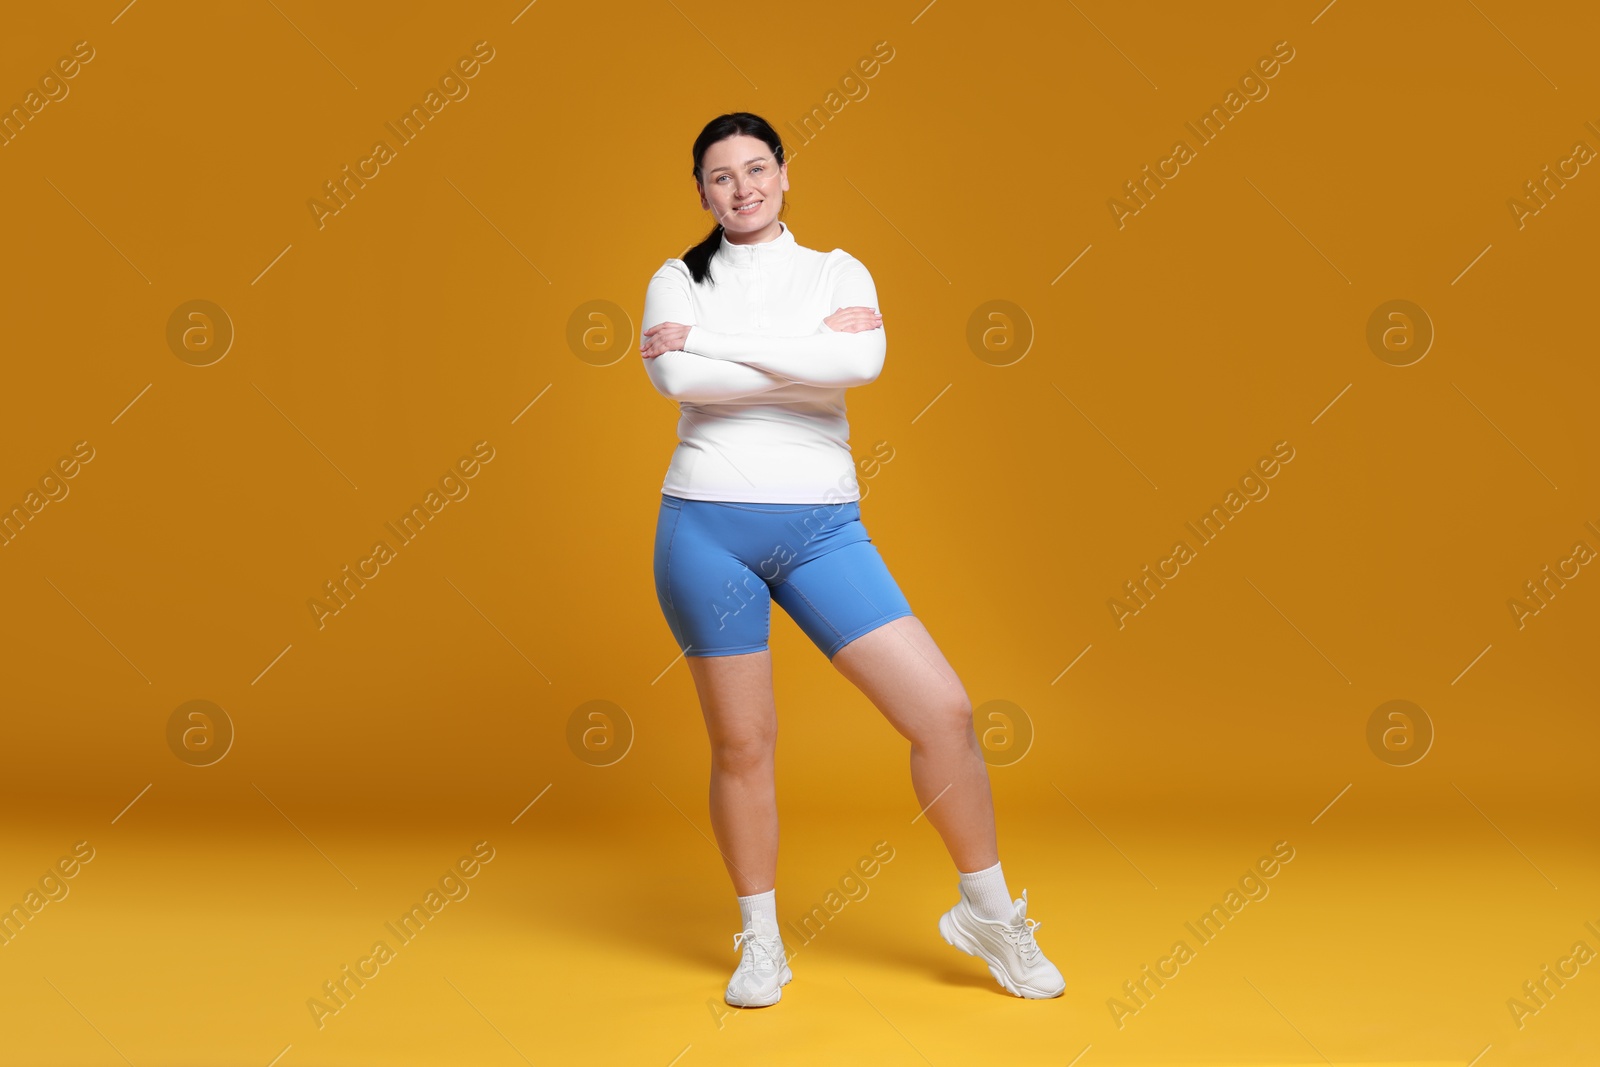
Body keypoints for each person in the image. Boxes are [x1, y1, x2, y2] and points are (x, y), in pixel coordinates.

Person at [639, 112, 1064, 1006]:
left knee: (943, 712)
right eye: (722, 177)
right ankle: (761, 940)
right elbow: (679, 382)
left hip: (824, 530)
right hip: (705, 528)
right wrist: (805, 360)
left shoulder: (838, 271)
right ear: (702, 191)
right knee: (744, 741)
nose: (743, 188)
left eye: (758, 169)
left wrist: (717, 344)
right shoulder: (676, 279)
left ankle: (988, 914)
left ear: (787, 176)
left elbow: (862, 361)